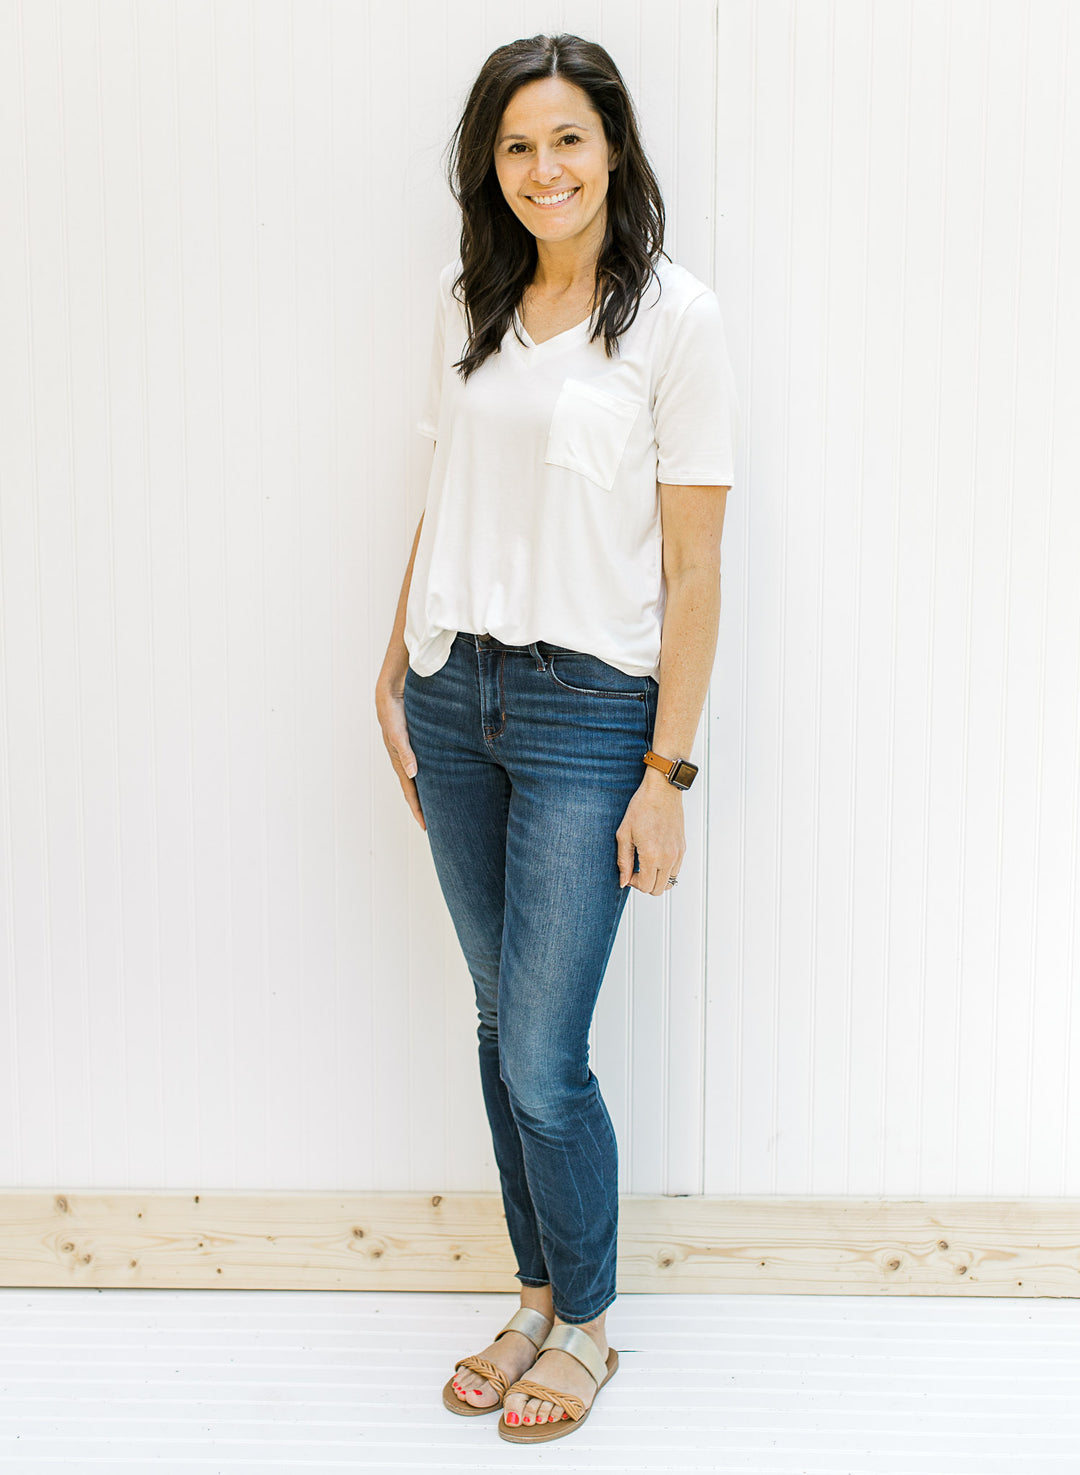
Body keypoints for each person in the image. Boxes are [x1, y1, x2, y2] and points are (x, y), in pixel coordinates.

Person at [374, 32, 738, 1446]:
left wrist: (670, 775)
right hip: (453, 694)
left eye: (568, 140)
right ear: (493, 166)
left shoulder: (677, 323)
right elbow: (441, 492)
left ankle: (584, 1325)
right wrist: (391, 668)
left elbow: (699, 573)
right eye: (518, 145)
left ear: (614, 151)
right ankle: (533, 1294)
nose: (544, 169)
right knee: (492, 1021)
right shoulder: (473, 300)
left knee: (541, 1051)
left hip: (596, 716)